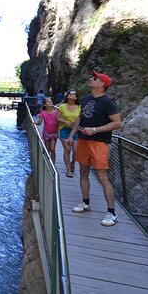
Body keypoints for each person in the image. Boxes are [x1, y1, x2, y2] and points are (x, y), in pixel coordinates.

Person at [68, 70, 123, 227]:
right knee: (83, 171)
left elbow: (117, 123)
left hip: (99, 142)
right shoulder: (85, 99)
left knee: (102, 176)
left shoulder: (107, 102)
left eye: (95, 78)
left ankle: (112, 213)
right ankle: (86, 203)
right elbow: (80, 118)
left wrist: (95, 130)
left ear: (102, 84)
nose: (91, 79)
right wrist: (72, 135)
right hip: (84, 140)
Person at [57, 90, 80, 178]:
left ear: (76, 97)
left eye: (74, 94)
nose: (71, 95)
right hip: (64, 130)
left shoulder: (79, 107)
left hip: (76, 130)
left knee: (76, 151)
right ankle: (68, 170)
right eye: (70, 93)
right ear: (67, 96)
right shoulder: (62, 106)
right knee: (67, 150)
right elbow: (57, 118)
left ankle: (72, 163)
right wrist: (65, 122)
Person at [35, 97, 59, 163]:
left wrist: (58, 132)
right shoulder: (43, 113)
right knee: (47, 149)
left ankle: (53, 163)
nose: (50, 102)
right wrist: (35, 123)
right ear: (45, 105)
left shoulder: (56, 112)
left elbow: (58, 122)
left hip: (54, 133)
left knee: (52, 149)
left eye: (51, 101)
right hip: (46, 133)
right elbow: (39, 122)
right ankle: (48, 162)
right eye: (48, 102)